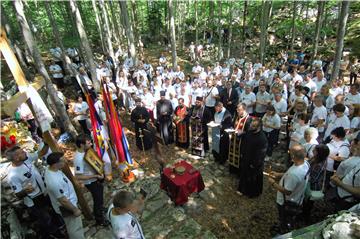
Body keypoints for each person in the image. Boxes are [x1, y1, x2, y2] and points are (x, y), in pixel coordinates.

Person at [6, 146, 65, 239]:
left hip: (44, 193)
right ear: (16, 158)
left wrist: (46, 142)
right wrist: (25, 191)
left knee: (54, 210)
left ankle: (61, 227)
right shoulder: (13, 176)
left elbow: (41, 153)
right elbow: (18, 194)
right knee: (46, 219)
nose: (25, 152)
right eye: (22, 152)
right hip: (34, 200)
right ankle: (57, 235)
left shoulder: (27, 158)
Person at [268, 145, 309, 233]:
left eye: (290, 153)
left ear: (293, 156)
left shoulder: (294, 174)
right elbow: (290, 174)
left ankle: (283, 231)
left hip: (286, 201)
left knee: (284, 217)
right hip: (298, 198)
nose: (288, 154)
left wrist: (273, 183)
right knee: (287, 217)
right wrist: (279, 174)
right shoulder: (305, 164)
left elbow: (287, 191)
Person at [44, 152, 85, 239]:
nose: (65, 161)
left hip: (70, 202)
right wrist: (75, 210)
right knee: (75, 229)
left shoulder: (52, 169)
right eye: (63, 161)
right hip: (67, 207)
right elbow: (63, 200)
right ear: (55, 164)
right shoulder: (53, 181)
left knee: (76, 226)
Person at [73, 135, 108, 226]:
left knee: (100, 197)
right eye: (89, 143)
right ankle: (99, 219)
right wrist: (95, 175)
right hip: (91, 182)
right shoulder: (78, 159)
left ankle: (101, 208)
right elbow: (78, 177)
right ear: (81, 145)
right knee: (97, 200)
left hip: (96, 178)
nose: (91, 144)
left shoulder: (86, 151)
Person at [237, 118, 268, 198]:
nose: (251, 127)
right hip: (246, 158)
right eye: (251, 125)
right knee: (244, 175)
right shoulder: (250, 131)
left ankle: (251, 193)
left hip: (254, 163)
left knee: (253, 179)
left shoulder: (262, 139)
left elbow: (261, 154)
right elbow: (245, 141)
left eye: (253, 126)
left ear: (259, 127)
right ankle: (242, 189)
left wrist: (254, 164)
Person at [302, 144, 330, 221]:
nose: (313, 150)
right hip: (312, 184)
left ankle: (305, 216)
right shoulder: (319, 159)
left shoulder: (319, 165)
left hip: (313, 186)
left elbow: (313, 178)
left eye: (315, 150)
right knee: (307, 201)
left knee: (308, 202)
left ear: (318, 153)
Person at [228, 103, 253, 173]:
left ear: (244, 110)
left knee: (239, 156)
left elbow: (249, 133)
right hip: (233, 139)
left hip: (242, 142)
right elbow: (232, 125)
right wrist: (230, 131)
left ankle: (239, 171)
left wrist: (242, 133)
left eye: (239, 110)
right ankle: (232, 169)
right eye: (237, 110)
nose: (237, 111)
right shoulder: (236, 116)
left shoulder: (249, 119)